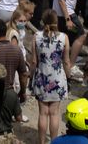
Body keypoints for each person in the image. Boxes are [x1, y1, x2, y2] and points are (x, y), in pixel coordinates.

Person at [31, 10, 70, 144]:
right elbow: (66, 61)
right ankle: (54, 141)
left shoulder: (36, 36)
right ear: (56, 21)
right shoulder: (63, 37)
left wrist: (32, 76)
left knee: (43, 113)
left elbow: (34, 61)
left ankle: (41, 142)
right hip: (58, 78)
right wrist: (68, 76)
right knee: (54, 113)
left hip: (42, 77)